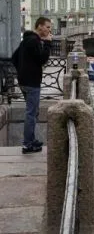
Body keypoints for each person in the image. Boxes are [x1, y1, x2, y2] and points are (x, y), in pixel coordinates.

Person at [12, 17, 52, 154]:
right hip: (32, 83)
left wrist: (22, 71)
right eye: (47, 27)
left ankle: (31, 139)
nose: (49, 30)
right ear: (39, 26)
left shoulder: (26, 40)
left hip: (23, 81)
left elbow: (14, 57)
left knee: (33, 112)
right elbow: (42, 59)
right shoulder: (34, 41)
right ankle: (27, 144)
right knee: (31, 113)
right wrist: (47, 44)